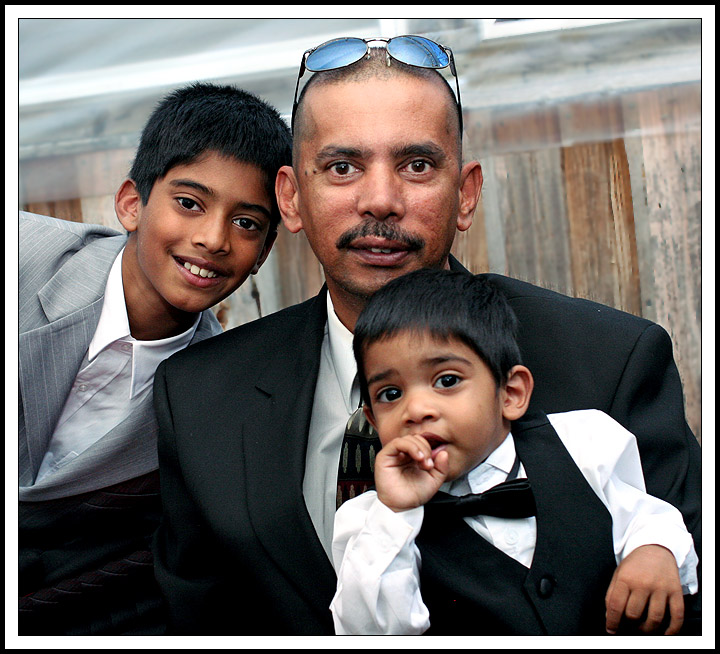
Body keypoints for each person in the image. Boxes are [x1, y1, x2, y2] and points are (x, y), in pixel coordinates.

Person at [151, 37, 701, 635]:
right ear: (291, 197)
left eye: (417, 165)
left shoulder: (609, 363)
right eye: (343, 167)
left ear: (465, 194)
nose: (381, 200)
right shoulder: (199, 397)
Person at [18, 82, 292, 635]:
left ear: (263, 254)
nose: (213, 239)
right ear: (131, 204)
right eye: (189, 204)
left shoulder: (217, 391)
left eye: (246, 224)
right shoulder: (22, 255)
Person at [329, 268, 698, 635]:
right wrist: (397, 514)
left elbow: (646, 514)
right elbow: (371, 631)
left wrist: (654, 550)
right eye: (390, 394)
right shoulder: (369, 525)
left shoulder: (583, 444)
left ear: (511, 394)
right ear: (374, 423)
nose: (417, 410)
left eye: (447, 380)